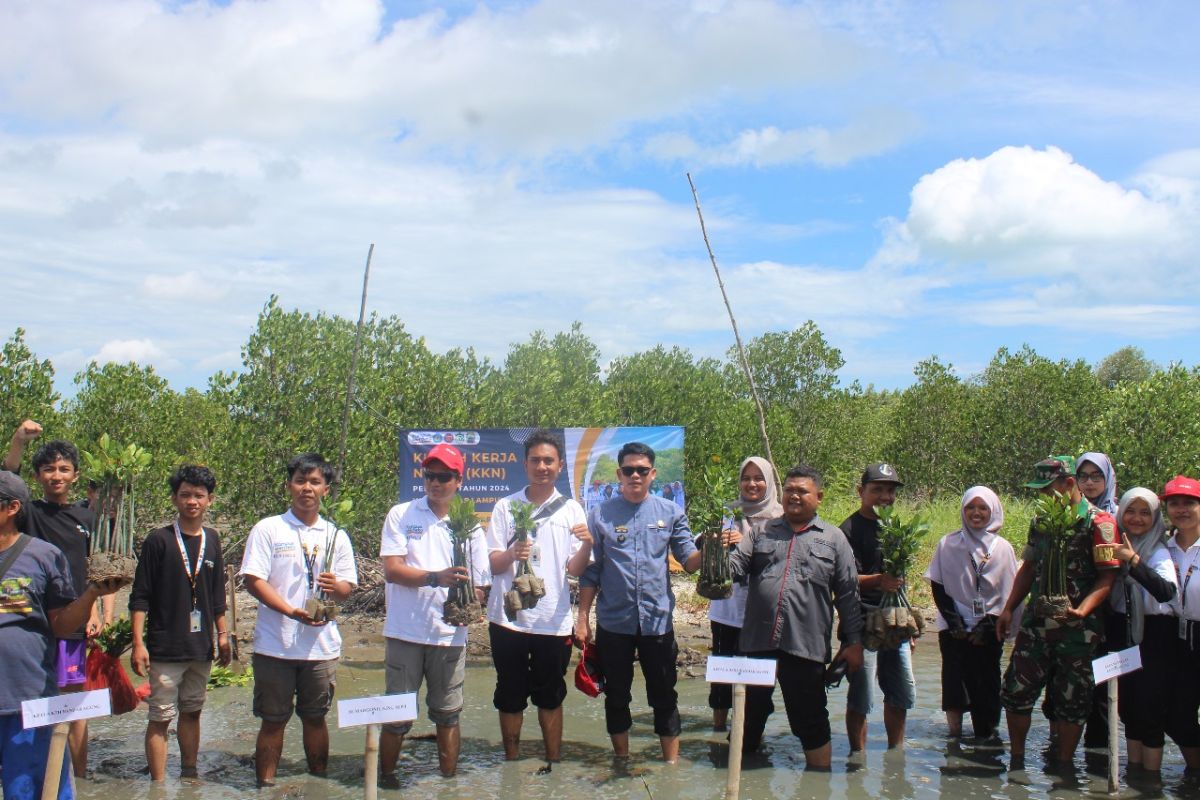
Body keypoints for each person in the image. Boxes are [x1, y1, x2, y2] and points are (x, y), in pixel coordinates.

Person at [575, 442, 702, 763]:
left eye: (642, 470)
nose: (635, 475)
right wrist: (582, 619)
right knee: (616, 696)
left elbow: (689, 561)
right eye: (628, 470)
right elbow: (591, 571)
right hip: (613, 624)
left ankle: (671, 767)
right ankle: (621, 761)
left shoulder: (671, 512)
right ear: (619, 473)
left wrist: (714, 546)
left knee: (664, 696)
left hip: (657, 623)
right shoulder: (600, 514)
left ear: (652, 474)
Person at [730, 465, 864, 769]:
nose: (794, 495)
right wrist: (713, 552)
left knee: (810, 718)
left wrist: (853, 641)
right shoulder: (761, 532)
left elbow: (848, 594)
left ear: (819, 497)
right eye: (789, 489)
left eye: (802, 491)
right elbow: (734, 568)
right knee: (748, 714)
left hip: (804, 645)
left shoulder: (834, 539)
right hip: (756, 645)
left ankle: (819, 779)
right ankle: (745, 780)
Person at [0, 470, 123, 800]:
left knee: (29, 789)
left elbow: (61, 625)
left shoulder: (42, 556)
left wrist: (91, 596)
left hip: (24, 695)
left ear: (12, 508)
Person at [239, 453, 357, 787]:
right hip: (275, 646)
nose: (307, 488)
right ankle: (266, 786)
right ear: (289, 486)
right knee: (272, 722)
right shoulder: (269, 528)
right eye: (300, 481)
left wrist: (338, 587)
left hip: (320, 648)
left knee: (316, 719)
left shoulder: (336, 535)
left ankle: (318, 785)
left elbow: (348, 589)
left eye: (315, 482)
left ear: (326, 490)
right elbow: (253, 580)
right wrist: (291, 611)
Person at [997, 455, 1120, 768]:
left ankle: (1064, 767)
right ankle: (1017, 760)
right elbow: (1029, 567)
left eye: (1047, 488)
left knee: (1073, 701)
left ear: (1068, 484)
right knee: (1016, 690)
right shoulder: (1041, 521)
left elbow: (1107, 577)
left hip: (1078, 629)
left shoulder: (1100, 523)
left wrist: (1082, 610)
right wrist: (1009, 608)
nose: (1044, 496)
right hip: (1036, 623)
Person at [378, 443, 489, 780]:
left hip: (450, 636)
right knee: (396, 715)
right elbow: (392, 570)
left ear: (459, 479)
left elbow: (481, 583)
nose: (435, 483)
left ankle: (448, 784)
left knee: (448, 713)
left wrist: (473, 601)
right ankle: (384, 780)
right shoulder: (402, 514)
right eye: (430, 476)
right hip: (405, 632)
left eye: (443, 477)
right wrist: (435, 578)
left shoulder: (470, 527)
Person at [485, 431, 592, 763]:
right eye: (535, 460)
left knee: (550, 696)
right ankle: (512, 762)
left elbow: (576, 569)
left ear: (559, 466)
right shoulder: (506, 506)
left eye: (548, 461)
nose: (542, 466)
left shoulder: (572, 510)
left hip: (552, 621)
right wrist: (512, 553)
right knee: (509, 694)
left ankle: (554, 760)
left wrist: (588, 544)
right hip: (508, 619)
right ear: (525, 463)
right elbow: (492, 562)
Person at [3, 421, 100, 778]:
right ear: (38, 476)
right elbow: (7, 475)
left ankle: (78, 776)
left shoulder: (88, 518)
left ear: (75, 475)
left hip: (75, 619)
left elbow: (99, 572)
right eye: (48, 469)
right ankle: (38, 766)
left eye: (63, 469)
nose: (56, 476)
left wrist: (98, 613)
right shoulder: (29, 513)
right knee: (40, 695)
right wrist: (18, 440)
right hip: (35, 622)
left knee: (74, 701)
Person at [128, 465, 232, 781]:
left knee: (192, 711)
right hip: (165, 646)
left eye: (199, 495)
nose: (192, 501)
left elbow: (216, 595)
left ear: (210, 500)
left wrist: (224, 636)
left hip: (201, 647)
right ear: (174, 498)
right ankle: (158, 785)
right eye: (185, 494)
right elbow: (140, 595)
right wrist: (138, 643)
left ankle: (189, 774)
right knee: (160, 717)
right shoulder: (158, 541)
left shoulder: (212, 540)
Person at [924, 487, 1017, 741]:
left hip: (989, 627)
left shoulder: (1003, 548)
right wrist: (954, 622)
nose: (976, 513)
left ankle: (985, 737)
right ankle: (953, 737)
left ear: (993, 511)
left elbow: (1010, 592)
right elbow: (938, 583)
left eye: (982, 508)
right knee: (954, 682)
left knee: (986, 683)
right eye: (970, 508)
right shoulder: (948, 543)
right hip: (953, 625)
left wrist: (987, 626)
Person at [841, 463, 915, 751]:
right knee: (862, 696)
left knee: (900, 693)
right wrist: (879, 581)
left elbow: (901, 579)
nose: (885, 496)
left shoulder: (895, 528)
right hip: (862, 621)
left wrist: (911, 627)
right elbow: (844, 580)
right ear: (861, 491)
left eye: (890, 490)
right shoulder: (847, 530)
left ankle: (895, 755)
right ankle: (857, 759)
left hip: (895, 620)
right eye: (877, 490)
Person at [706, 456, 782, 732]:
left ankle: (752, 734)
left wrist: (747, 542)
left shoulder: (780, 517)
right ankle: (718, 729)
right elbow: (701, 548)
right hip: (727, 610)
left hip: (763, 613)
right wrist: (714, 539)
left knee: (759, 677)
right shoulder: (726, 512)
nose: (752, 484)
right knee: (723, 673)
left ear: (769, 482)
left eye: (758, 478)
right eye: (746, 478)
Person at [1107, 487, 1176, 775]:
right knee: (1128, 709)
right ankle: (1134, 772)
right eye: (1130, 511)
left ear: (1155, 517)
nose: (1136, 518)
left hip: (1154, 634)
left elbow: (1166, 591)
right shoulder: (1111, 545)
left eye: (1145, 512)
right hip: (1122, 632)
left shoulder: (1157, 550)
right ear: (1120, 513)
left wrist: (1133, 561)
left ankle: (1151, 780)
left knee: (1150, 710)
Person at [1162, 475, 1200, 770]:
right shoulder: (1164, 548)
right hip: (1177, 637)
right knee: (1176, 716)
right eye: (1174, 503)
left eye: (1189, 503)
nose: (1181, 509)